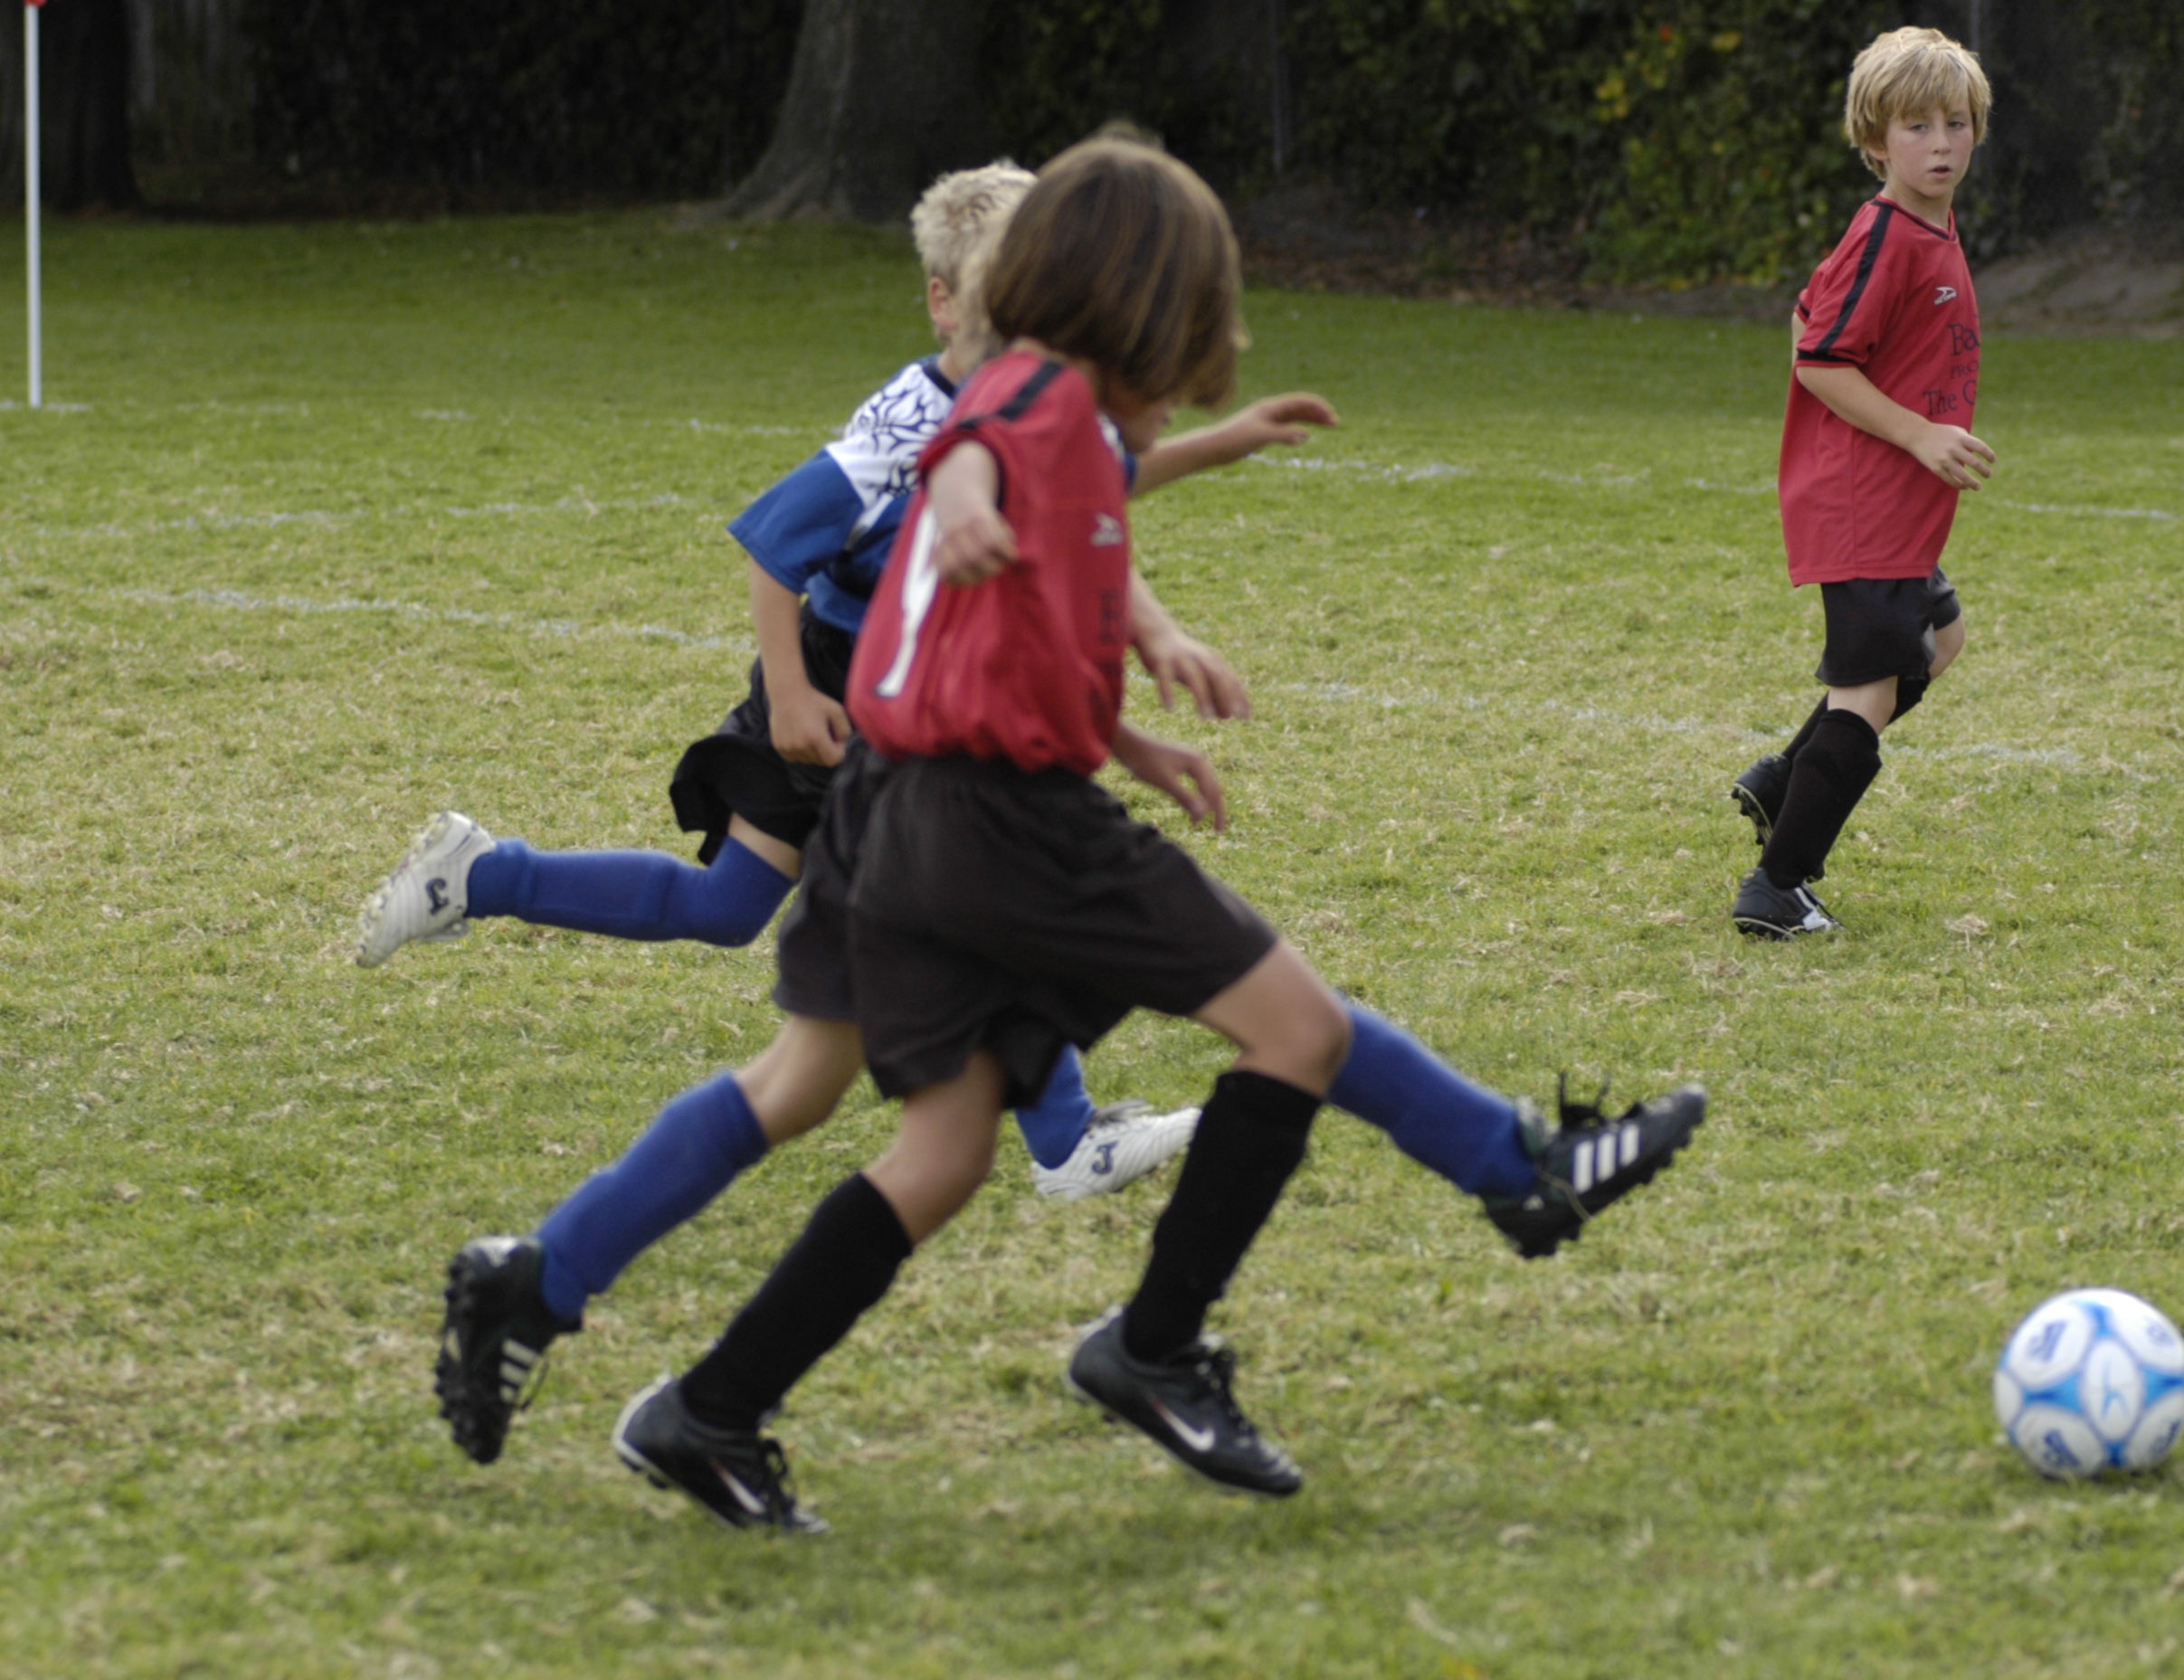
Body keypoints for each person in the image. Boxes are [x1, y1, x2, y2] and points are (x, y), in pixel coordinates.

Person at [596, 135, 1707, 1531]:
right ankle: (1191, 1329)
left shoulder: (1049, 405)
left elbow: (1041, 494)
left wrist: (1145, 672)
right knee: (1295, 1029)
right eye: (1200, 306)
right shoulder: (1034, 406)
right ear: (1139, 304)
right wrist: (967, 507)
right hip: (999, 822)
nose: (1210, 337)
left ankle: (712, 1408)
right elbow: (969, 465)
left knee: (942, 1159)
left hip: (928, 814)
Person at [359, 163, 1335, 1230]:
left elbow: (1093, 495)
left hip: (917, 698)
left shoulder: (1037, 404)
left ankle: (480, 873)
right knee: (951, 894)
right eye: (1010, 298)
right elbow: (773, 546)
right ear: (943, 300)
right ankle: (1066, 1140)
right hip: (840, 691)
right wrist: (787, 693)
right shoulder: (903, 426)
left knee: (741, 908)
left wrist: (1197, 510)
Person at [1729, 26, 1995, 939]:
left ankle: (1783, 781)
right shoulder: (1888, 233)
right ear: (1875, 140)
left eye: (1955, 122)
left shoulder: (1927, 225)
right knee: (1871, 688)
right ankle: (1777, 886)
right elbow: (1818, 358)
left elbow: (1808, 310)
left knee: (1939, 639)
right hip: (1863, 499)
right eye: (1916, 126)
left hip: (1897, 503)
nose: (1940, 143)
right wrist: (1917, 433)